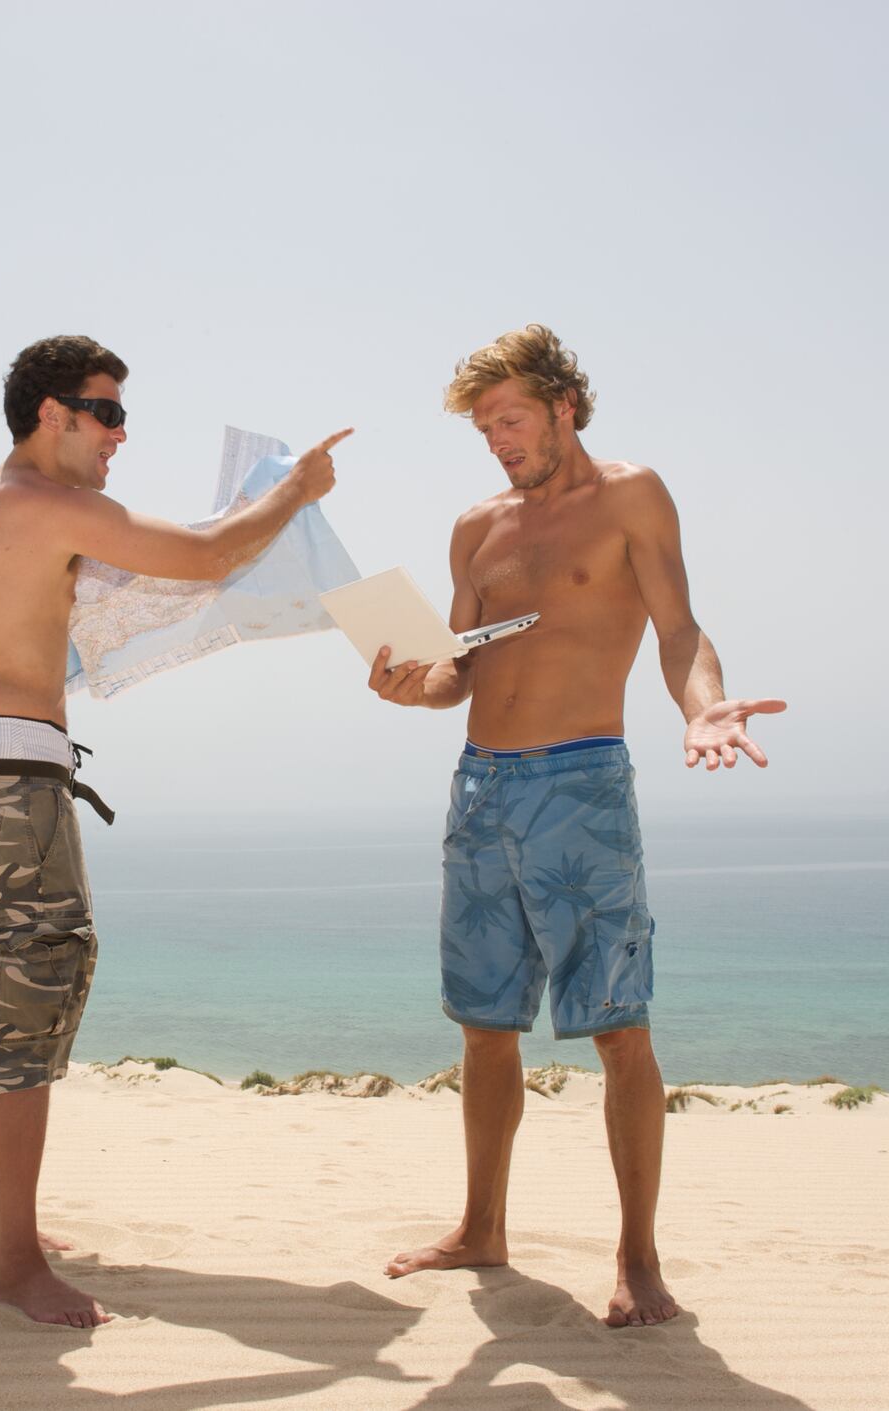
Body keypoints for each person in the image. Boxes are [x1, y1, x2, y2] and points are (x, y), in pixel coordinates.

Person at [0, 334, 350, 1326]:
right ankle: (14, 1265)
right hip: (16, 786)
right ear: (49, 414)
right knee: (27, 1003)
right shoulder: (60, 504)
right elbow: (214, 554)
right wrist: (298, 489)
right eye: (104, 412)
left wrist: (24, 595)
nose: (119, 434)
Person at [368, 324, 785, 1327]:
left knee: (618, 1026)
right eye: (483, 427)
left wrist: (705, 707)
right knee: (484, 1025)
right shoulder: (477, 528)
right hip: (481, 789)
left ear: (563, 404)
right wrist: (403, 684)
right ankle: (482, 1226)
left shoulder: (632, 494)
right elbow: (452, 670)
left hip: (582, 785)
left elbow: (678, 628)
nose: (497, 439)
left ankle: (639, 1258)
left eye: (510, 417)